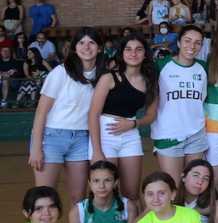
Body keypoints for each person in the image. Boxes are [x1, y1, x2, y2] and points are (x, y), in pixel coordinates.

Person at [29, 28, 101, 203]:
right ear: (75, 48)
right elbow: (41, 112)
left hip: (82, 140)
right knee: (45, 197)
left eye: (91, 42)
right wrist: (36, 148)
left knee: (79, 198)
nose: (86, 47)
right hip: (52, 137)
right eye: (81, 42)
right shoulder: (61, 72)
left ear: (99, 48)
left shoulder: (102, 75)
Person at [87, 34, 155, 203]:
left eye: (138, 49)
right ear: (122, 53)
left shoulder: (149, 81)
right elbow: (93, 114)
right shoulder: (109, 77)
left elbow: (151, 115)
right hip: (105, 135)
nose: (133, 53)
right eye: (128, 49)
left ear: (145, 54)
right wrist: (96, 150)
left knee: (131, 195)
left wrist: (133, 123)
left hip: (130, 135)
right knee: (106, 194)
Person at [147, 25, 208, 180]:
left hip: (196, 134)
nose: (192, 46)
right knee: (173, 187)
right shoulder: (161, 65)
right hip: (168, 134)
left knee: (193, 186)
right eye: (187, 41)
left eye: (197, 43)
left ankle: (189, 207)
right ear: (179, 43)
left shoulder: (203, 68)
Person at [0, 44, 25, 108]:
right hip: (1, 80)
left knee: (5, 79)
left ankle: (4, 101)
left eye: (7, 51)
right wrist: (2, 73)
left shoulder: (16, 62)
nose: (5, 52)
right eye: (3, 51)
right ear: (1, 52)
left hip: (13, 81)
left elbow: (21, 74)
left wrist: (13, 72)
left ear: (10, 53)